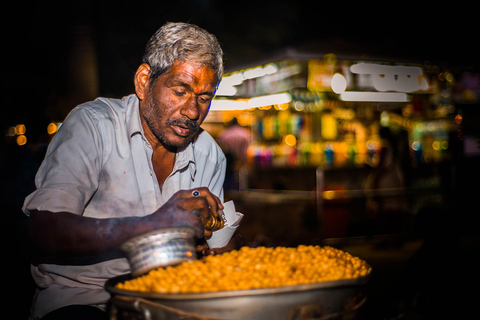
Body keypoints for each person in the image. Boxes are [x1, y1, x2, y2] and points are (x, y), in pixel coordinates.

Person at [23, 22, 240, 320]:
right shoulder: (93, 126)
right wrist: (153, 225)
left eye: (204, 98)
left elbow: (219, 251)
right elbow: (42, 230)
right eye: (180, 91)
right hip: (86, 301)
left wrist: (212, 247)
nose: (192, 111)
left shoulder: (209, 153)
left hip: (169, 304)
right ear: (143, 81)